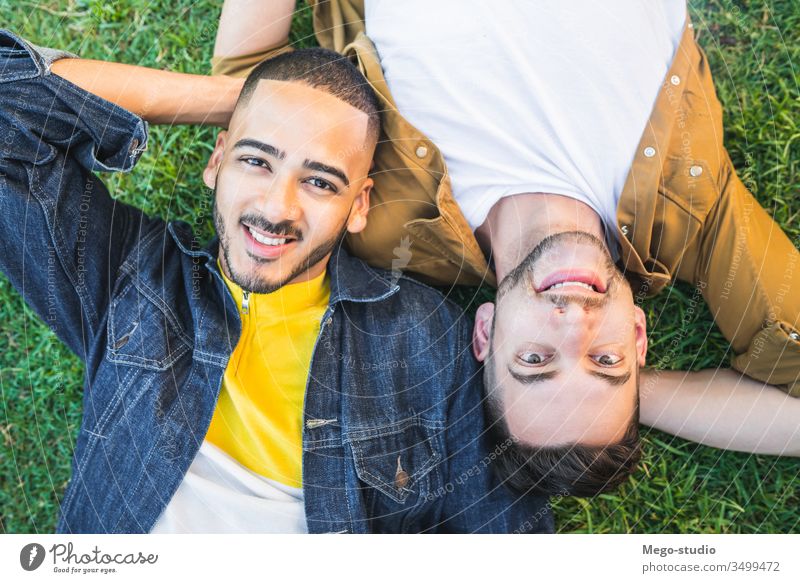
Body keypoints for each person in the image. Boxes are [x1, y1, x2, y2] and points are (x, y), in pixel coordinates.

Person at [37, 0, 800, 498]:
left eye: (536, 361)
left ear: (484, 334)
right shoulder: (695, 215)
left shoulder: (380, 222)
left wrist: (238, 105)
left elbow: (252, 87)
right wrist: (635, 395)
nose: (573, 324)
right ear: (638, 335)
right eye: (605, 359)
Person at [0, 29, 553, 533]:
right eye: (257, 162)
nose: (275, 208)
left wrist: (263, 122)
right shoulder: (135, 276)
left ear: (358, 206)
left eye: (319, 181)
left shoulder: (421, 334)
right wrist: (243, 102)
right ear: (216, 162)